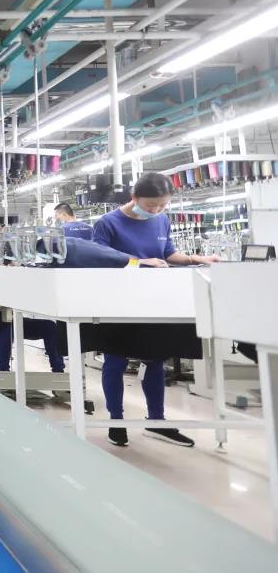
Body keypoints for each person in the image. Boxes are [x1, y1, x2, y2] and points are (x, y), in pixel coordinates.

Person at [91, 172, 219, 448]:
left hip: (154, 299)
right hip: (119, 303)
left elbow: (168, 253)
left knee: (156, 359)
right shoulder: (108, 223)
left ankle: (157, 420)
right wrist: (139, 262)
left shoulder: (161, 220)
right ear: (134, 198)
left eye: (163, 205)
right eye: (151, 205)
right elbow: (98, 259)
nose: (156, 211)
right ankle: (116, 421)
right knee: (115, 360)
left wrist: (196, 259)